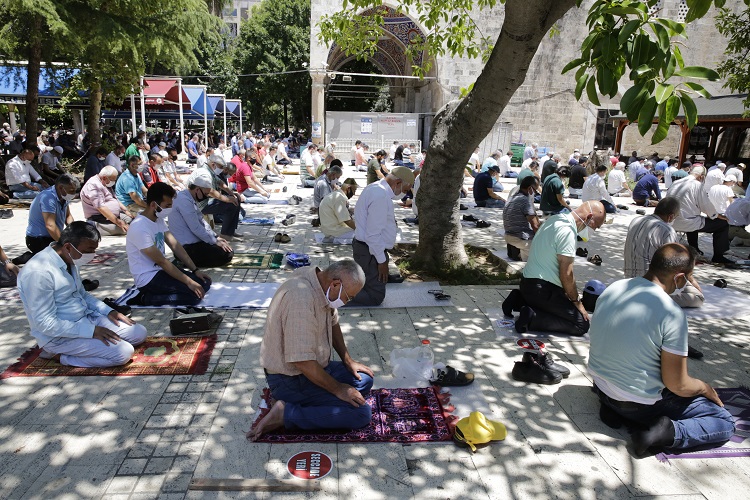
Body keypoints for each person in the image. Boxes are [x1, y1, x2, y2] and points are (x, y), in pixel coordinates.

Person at [588, 243, 734, 456]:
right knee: (724, 422)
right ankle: (664, 433)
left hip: (601, 386)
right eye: (688, 278)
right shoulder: (670, 313)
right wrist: (705, 388)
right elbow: (677, 384)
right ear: (680, 277)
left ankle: (614, 409)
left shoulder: (615, 287)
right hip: (637, 402)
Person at [249, 259, 373, 439]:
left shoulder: (318, 280)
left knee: (364, 379)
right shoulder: (300, 298)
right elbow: (302, 361)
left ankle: (300, 403)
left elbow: (333, 322)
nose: (347, 302)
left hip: (315, 367)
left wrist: (348, 361)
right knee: (361, 414)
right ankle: (285, 414)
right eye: (349, 297)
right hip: (289, 379)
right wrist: (339, 389)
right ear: (336, 284)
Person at [17, 222, 147, 368]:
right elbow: (45, 323)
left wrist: (109, 311)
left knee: (138, 333)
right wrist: (91, 331)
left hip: (86, 319)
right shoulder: (39, 272)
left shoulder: (69, 258)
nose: (92, 255)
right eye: (89, 250)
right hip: (60, 336)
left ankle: (91, 344)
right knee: (123, 353)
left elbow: (82, 295)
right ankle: (59, 356)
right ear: (67, 246)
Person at [504, 201, 606, 336]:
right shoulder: (568, 232)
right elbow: (566, 274)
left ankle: (518, 300)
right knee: (581, 324)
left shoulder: (554, 220)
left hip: (527, 284)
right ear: (588, 217)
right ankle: (532, 318)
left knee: (558, 305)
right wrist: (577, 302)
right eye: (595, 227)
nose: (594, 231)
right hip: (542, 290)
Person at [124, 182, 212, 306]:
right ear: (154, 205)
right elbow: (162, 261)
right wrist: (188, 282)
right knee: (193, 296)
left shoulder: (158, 219)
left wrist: (195, 270)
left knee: (204, 283)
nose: (170, 209)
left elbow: (175, 245)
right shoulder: (139, 227)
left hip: (161, 271)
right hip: (148, 278)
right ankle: (145, 298)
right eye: (167, 205)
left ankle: (165, 292)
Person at [623, 197, 704, 308]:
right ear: (670, 216)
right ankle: (654, 298)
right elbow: (677, 262)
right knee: (697, 298)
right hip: (650, 281)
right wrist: (691, 280)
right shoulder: (667, 230)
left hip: (629, 277)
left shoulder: (635, 221)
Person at [351, 167, 414, 306]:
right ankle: (331, 297)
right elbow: (372, 235)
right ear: (397, 182)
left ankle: (370, 280)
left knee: (371, 281)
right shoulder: (380, 195)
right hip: (369, 250)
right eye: (405, 190)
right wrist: (382, 261)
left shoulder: (376, 188)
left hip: (368, 248)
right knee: (375, 297)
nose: (404, 194)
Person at [670, 166, 732, 264]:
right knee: (722, 224)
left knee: (694, 219)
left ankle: (694, 249)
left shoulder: (676, 183)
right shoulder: (697, 185)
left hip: (672, 221)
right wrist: (718, 216)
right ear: (701, 176)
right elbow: (706, 206)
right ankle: (719, 256)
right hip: (687, 222)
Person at [169, 176, 234, 268]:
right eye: (206, 194)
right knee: (225, 254)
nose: (206, 196)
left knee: (226, 249)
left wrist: (215, 237)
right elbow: (195, 227)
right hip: (185, 248)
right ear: (197, 190)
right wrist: (214, 241)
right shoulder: (183, 200)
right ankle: (185, 261)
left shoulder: (189, 198)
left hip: (195, 243)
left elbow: (202, 221)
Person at [187, 155, 244, 240]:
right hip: (199, 205)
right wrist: (227, 199)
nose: (222, 169)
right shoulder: (204, 173)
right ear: (213, 164)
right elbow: (210, 191)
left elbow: (220, 183)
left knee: (236, 200)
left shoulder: (210, 171)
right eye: (221, 167)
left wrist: (231, 194)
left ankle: (231, 232)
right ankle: (225, 235)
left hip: (205, 201)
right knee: (231, 205)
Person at [24, 174, 79, 255]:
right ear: (60, 188)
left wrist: (74, 232)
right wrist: (63, 244)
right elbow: (50, 225)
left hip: (52, 236)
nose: (73, 194)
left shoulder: (63, 196)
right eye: (71, 191)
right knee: (63, 257)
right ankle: (28, 257)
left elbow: (68, 216)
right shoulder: (48, 198)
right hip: (38, 239)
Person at [81, 166, 132, 236]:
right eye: (112, 180)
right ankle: (94, 227)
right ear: (104, 177)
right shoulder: (93, 185)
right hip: (98, 218)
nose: (113, 182)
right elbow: (101, 208)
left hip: (113, 215)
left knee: (133, 221)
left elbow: (114, 199)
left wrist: (126, 211)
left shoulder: (104, 183)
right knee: (127, 229)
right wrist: (118, 222)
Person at [503, 176, 540, 261]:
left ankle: (518, 253)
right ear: (530, 188)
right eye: (535, 190)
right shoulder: (525, 201)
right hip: (520, 237)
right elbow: (535, 226)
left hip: (508, 235)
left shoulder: (512, 198)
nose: (535, 193)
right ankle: (522, 255)